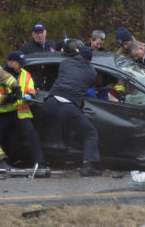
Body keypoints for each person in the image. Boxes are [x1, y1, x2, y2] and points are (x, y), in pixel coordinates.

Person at [41, 40, 102, 176]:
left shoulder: (64, 63)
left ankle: (40, 160)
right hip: (67, 107)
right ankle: (89, 166)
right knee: (90, 133)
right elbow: (90, 86)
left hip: (50, 103)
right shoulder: (92, 72)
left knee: (45, 130)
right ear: (90, 60)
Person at [0, 51, 44, 167]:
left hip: (19, 112)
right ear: (10, 62)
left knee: (31, 134)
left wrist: (30, 95)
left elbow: (31, 89)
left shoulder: (25, 74)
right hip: (1, 113)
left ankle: (40, 163)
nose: (22, 66)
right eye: (20, 63)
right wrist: (7, 98)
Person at [21, 22, 57, 89]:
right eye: (37, 33)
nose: (40, 35)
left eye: (41, 32)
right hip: (35, 83)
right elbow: (23, 66)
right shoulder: (27, 48)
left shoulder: (52, 44)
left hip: (51, 83)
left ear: (45, 32)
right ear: (33, 35)